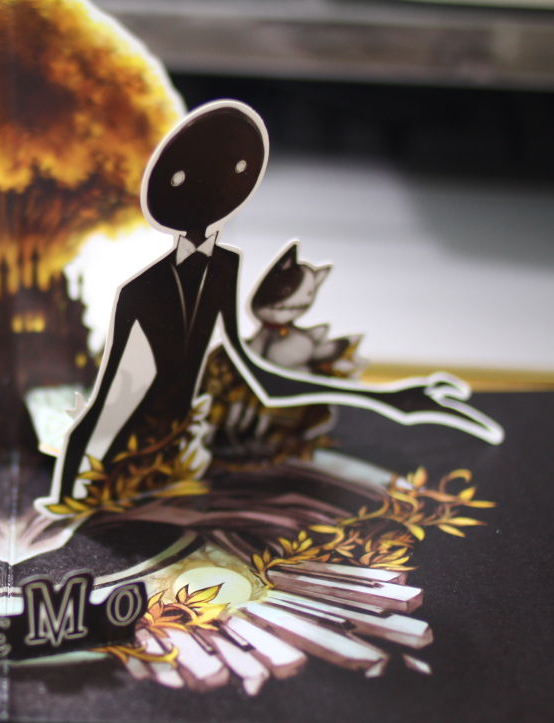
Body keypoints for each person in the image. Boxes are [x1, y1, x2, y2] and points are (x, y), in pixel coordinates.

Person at [42, 100, 502, 506]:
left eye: (236, 172)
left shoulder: (224, 267)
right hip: (126, 460)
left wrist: (386, 398)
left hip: (185, 454)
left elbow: (257, 374)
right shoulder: (142, 289)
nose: (218, 192)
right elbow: (113, 396)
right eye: (189, 180)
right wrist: (69, 493)